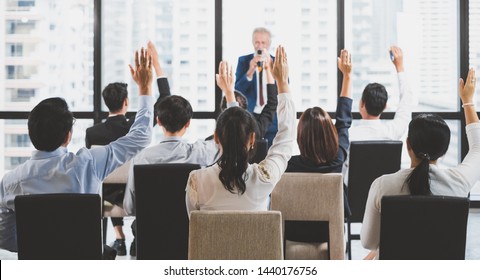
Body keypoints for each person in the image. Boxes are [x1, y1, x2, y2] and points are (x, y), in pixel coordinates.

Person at [0, 47, 154, 252]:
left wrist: (40, 246)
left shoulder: (11, 182)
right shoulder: (87, 164)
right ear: (67, 136)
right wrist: (145, 88)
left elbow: (6, 239)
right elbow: (141, 136)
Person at [361, 68, 479, 259]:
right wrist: (468, 101)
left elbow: (369, 242)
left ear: (408, 145)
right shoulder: (459, 183)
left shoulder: (383, 185)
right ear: (444, 150)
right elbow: (479, 147)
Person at [186, 45, 295, 214]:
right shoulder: (265, 178)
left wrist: (229, 93)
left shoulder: (197, 181)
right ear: (252, 139)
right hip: (256, 242)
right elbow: (286, 138)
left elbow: (195, 230)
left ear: (216, 138)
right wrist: (281, 82)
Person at [235, 27, 278, 147]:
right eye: (257, 42)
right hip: (251, 114)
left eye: (263, 42)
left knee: (271, 151)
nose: (259, 46)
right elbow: (238, 91)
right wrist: (250, 71)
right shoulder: (244, 61)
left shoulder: (276, 62)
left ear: (269, 44)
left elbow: (283, 87)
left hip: (271, 115)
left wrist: (270, 68)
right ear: (252, 42)